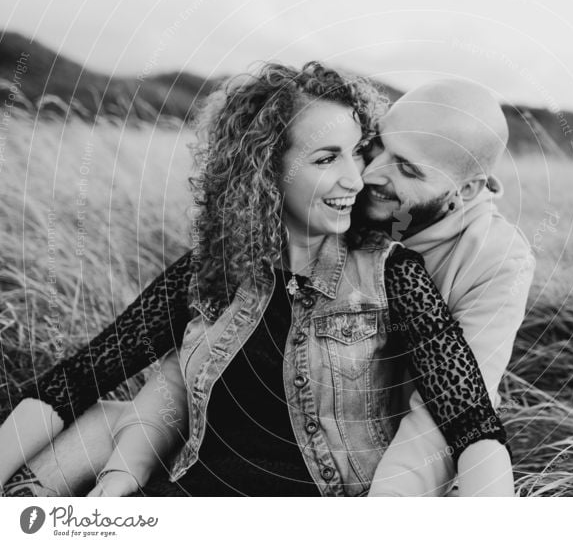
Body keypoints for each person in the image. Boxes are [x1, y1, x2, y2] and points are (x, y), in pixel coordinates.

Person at [0, 61, 512, 497]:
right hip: (185, 492)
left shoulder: (393, 274)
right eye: (328, 157)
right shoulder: (217, 268)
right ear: (267, 169)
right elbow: (78, 377)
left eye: (358, 151)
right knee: (48, 475)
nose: (361, 178)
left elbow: (471, 423)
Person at [358, 79, 535, 496]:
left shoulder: (496, 260)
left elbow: (447, 411)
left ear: (467, 189)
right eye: (378, 144)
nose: (369, 172)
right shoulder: (345, 200)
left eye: (406, 167)